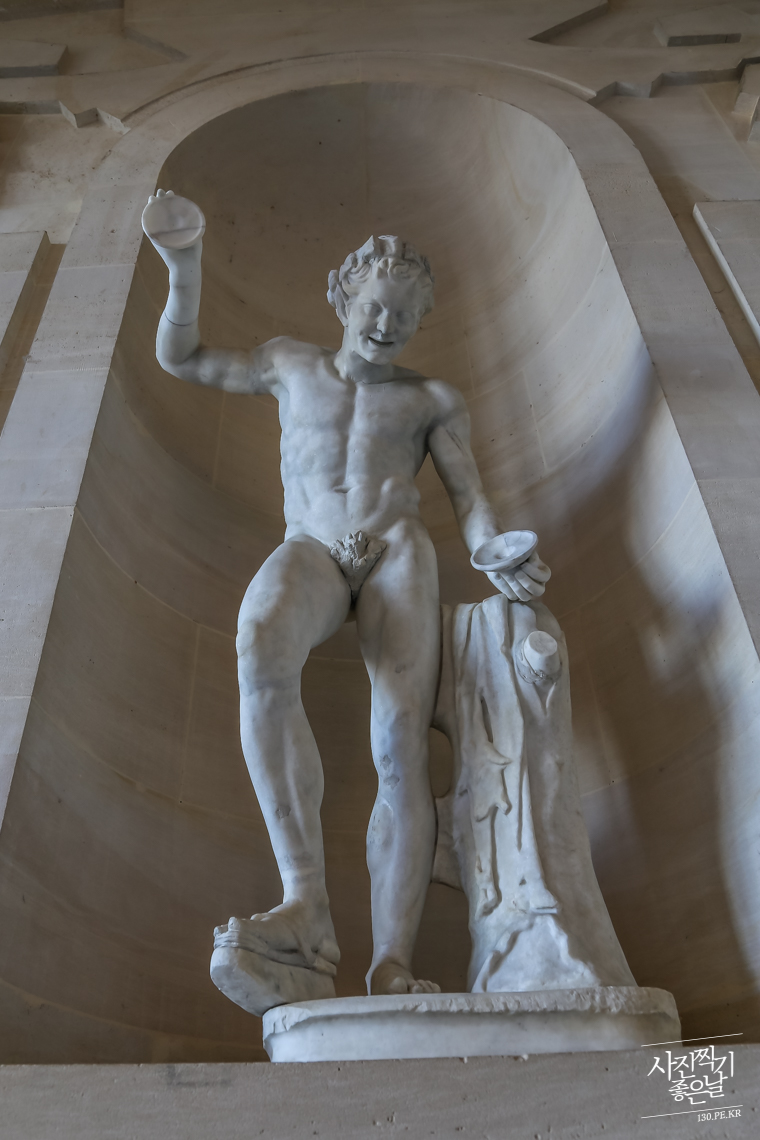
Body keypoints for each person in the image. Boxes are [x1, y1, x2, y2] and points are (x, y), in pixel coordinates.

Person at [146, 190, 550, 998]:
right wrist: (184, 267)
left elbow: (470, 500)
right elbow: (181, 358)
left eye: (403, 314)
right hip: (313, 547)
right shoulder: (287, 363)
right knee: (259, 642)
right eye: (374, 307)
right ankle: (306, 906)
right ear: (344, 300)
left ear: (419, 321)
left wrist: (493, 552)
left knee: (399, 744)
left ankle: (392, 960)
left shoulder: (432, 400)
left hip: (397, 550)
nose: (386, 324)